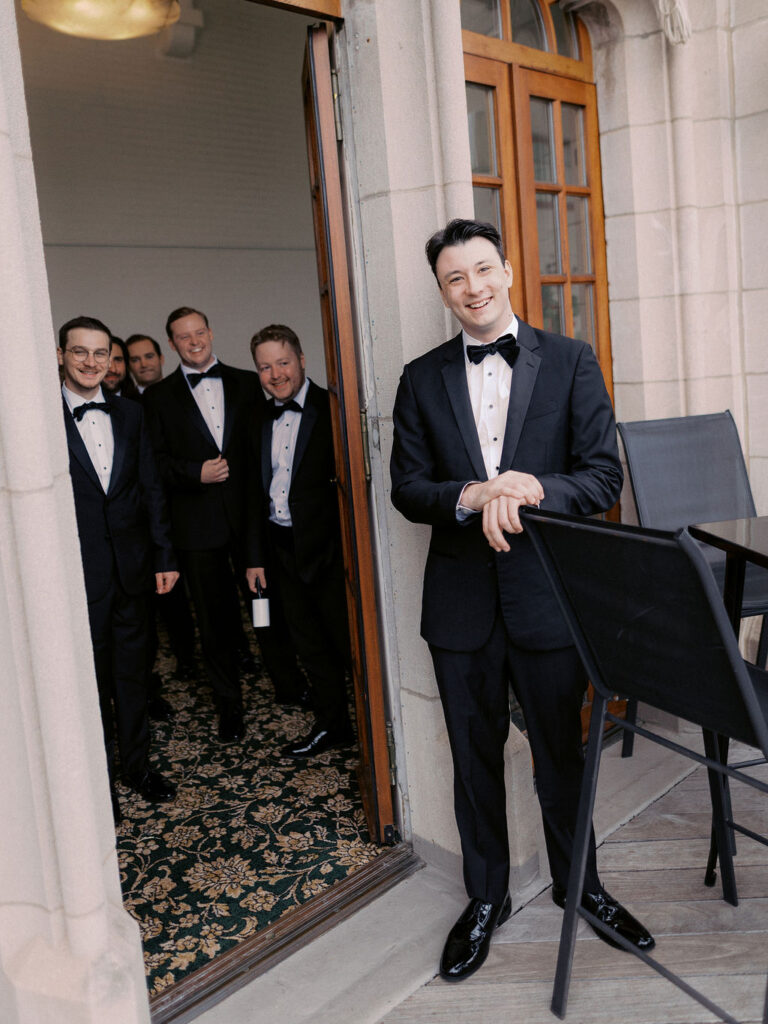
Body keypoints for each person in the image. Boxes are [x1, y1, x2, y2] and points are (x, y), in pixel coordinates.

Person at [389, 219, 654, 982]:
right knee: (471, 763)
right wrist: (473, 492)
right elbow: (408, 489)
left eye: (482, 270)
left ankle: (585, 890)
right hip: (461, 608)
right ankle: (485, 900)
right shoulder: (420, 377)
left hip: (547, 602)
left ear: (508, 270)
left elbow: (603, 477)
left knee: (560, 760)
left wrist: (535, 486)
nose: (472, 289)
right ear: (443, 291)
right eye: (453, 279)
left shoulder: (570, 362)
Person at [143, 307, 304, 740]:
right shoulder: (156, 399)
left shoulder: (249, 383)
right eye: (183, 336)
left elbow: (267, 449)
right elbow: (153, 465)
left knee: (268, 612)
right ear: (172, 343)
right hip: (197, 532)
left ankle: (289, 685)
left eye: (199, 332)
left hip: (252, 522)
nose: (194, 341)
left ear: (211, 333)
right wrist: (195, 472)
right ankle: (229, 707)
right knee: (213, 624)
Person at [58, 315, 178, 823]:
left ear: (112, 359)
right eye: (80, 352)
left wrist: (164, 555)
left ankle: (136, 768)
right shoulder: (40, 416)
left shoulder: (130, 414)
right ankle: (96, 785)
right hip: (74, 575)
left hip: (133, 571)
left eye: (100, 353)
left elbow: (151, 487)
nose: (91, 362)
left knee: (133, 676)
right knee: (86, 685)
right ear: (60, 355)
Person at [246, 325, 353, 758]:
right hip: (280, 548)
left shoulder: (334, 410)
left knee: (347, 645)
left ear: (302, 360)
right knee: (308, 646)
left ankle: (374, 734)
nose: (275, 374)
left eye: (283, 362)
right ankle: (333, 726)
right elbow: (252, 494)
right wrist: (256, 557)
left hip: (330, 550)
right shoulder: (255, 417)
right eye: (265, 367)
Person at [102, 335, 139, 400]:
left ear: (126, 364)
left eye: (118, 360)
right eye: (105, 360)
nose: (113, 369)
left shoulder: (142, 405)